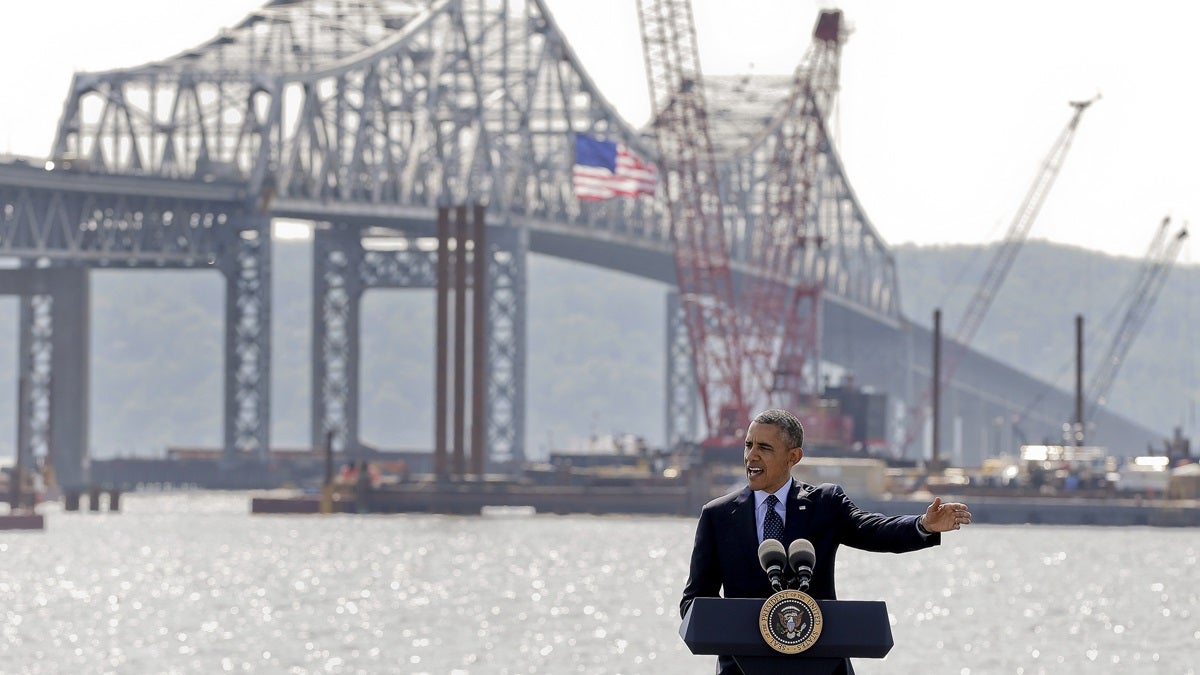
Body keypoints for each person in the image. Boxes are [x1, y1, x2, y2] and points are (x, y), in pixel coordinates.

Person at [681, 408, 972, 675]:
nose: (751, 456)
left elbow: (873, 529)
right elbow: (693, 600)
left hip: (822, 665)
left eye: (764, 448)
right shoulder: (718, 516)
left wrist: (923, 525)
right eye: (748, 445)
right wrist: (738, 629)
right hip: (743, 669)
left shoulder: (825, 503)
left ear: (793, 457)